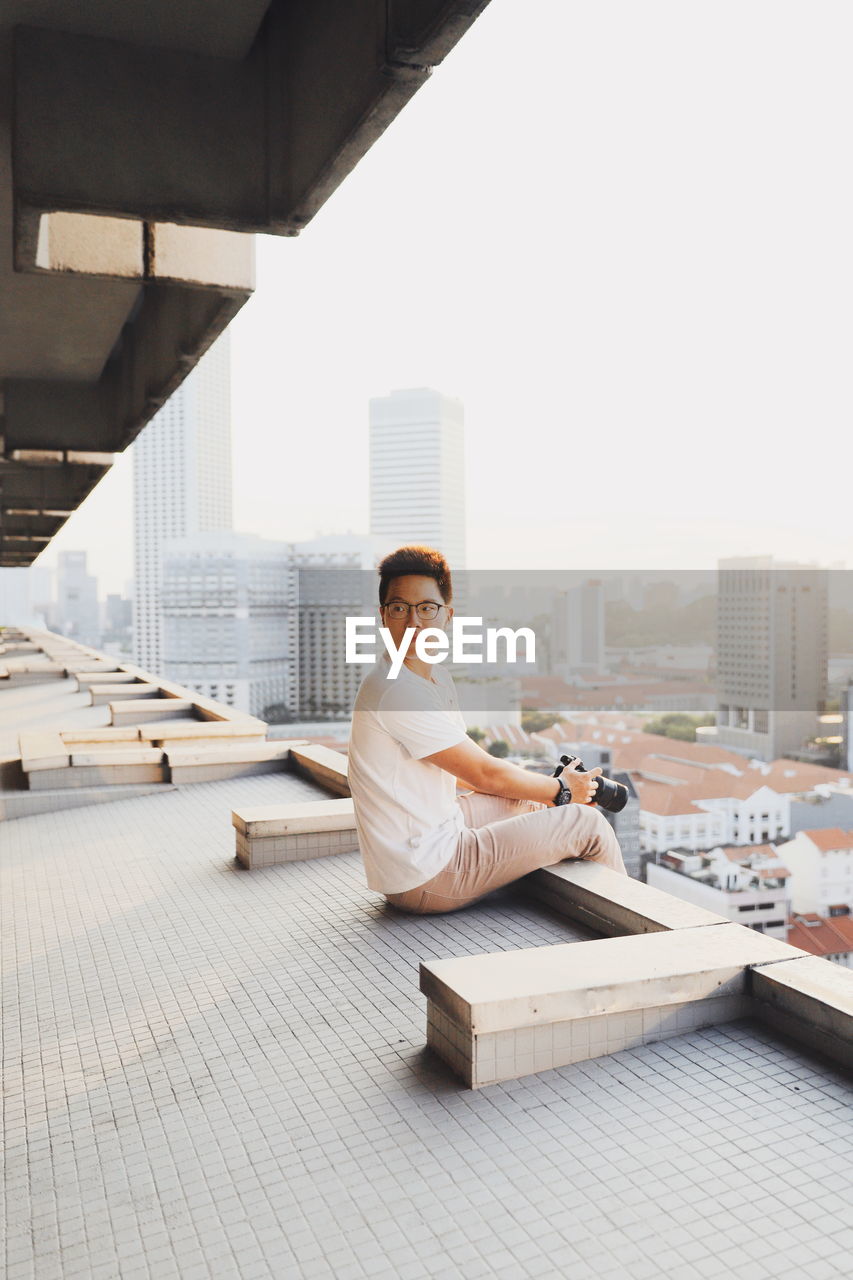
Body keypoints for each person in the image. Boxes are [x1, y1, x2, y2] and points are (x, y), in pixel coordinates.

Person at [347, 545, 627, 914]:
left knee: (526, 798)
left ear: (447, 615)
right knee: (585, 822)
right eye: (399, 608)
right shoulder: (396, 689)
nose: (413, 622)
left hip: (430, 839)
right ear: (384, 616)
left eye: (426, 609)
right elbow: (482, 773)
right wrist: (563, 791)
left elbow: (469, 767)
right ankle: (637, 935)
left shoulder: (432, 678)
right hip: (426, 872)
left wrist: (552, 790)